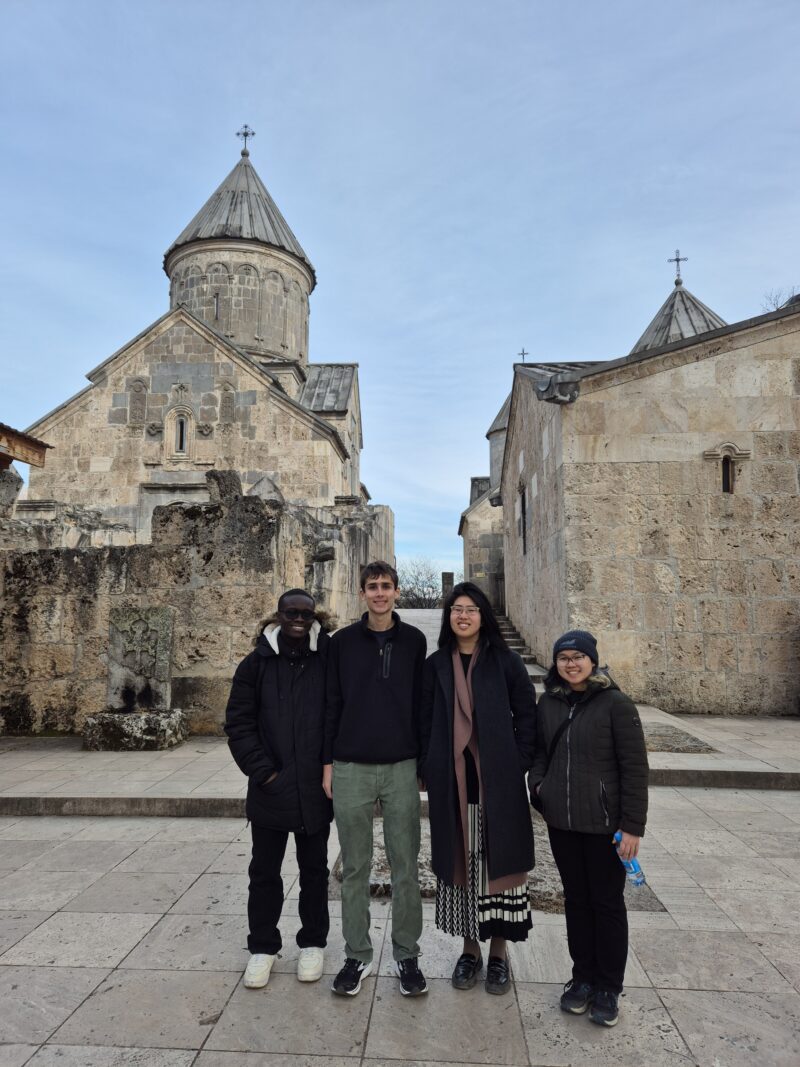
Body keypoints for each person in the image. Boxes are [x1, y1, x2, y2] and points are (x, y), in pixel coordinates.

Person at [420, 581, 537, 995]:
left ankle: (500, 955)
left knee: (498, 866)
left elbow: (527, 715)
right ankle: (470, 950)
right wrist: (429, 766)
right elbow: (424, 721)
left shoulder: (505, 662)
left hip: (497, 785)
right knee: (464, 865)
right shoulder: (435, 664)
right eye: (456, 609)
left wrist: (515, 762)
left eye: (471, 609)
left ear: (482, 616)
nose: (463, 616)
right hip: (453, 783)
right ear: (449, 617)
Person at [530, 630, 648, 1027]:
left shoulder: (616, 704)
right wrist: (539, 789)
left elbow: (634, 769)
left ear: (593, 661)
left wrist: (632, 827)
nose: (571, 663)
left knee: (607, 904)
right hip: (563, 822)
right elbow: (539, 754)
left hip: (604, 825)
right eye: (564, 657)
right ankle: (581, 978)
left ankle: (608, 986)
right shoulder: (548, 703)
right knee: (576, 902)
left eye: (579, 656)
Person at [323, 561, 428, 997]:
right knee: (355, 866)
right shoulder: (341, 643)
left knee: (405, 865)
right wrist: (328, 762)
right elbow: (331, 702)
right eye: (372, 587)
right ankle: (357, 954)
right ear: (361, 593)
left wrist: (423, 762)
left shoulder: (415, 641)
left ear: (397, 592)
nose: (380, 593)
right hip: (351, 765)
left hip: (402, 765)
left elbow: (422, 704)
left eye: (386, 586)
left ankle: (407, 955)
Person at [224, 588, 333, 990]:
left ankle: (313, 942)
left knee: (315, 872)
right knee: (264, 872)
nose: (298, 619)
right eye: (291, 612)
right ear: (279, 615)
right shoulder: (255, 666)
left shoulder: (326, 660)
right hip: (271, 787)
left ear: (314, 617)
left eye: (306, 613)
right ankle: (263, 947)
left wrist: (329, 766)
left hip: (313, 789)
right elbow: (238, 723)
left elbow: (335, 713)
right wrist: (264, 773)